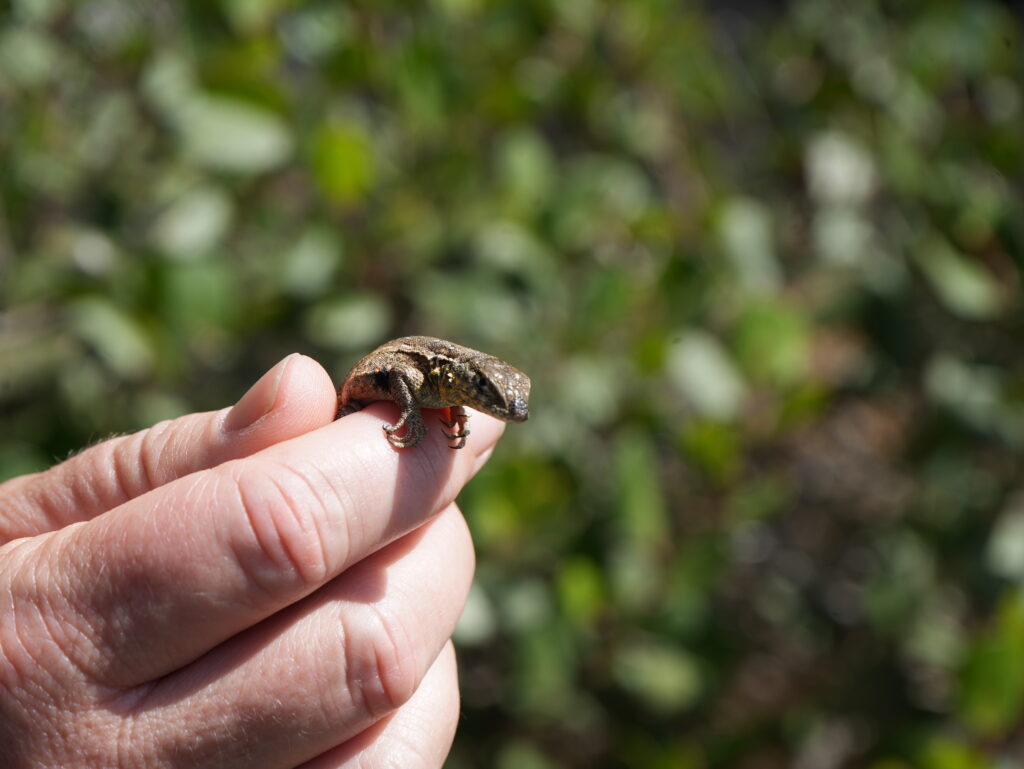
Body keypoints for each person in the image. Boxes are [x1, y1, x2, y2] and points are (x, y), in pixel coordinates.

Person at [0, 353, 497, 767]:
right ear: (462, 377)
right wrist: (414, 418)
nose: (506, 407)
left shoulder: (450, 388)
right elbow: (403, 376)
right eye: (487, 391)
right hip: (366, 392)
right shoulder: (428, 374)